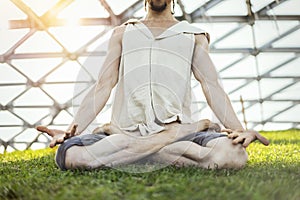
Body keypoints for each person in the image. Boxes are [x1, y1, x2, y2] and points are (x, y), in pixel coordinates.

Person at [36, 0, 269, 170]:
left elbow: (212, 86)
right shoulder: (123, 32)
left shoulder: (193, 35)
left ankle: (135, 153)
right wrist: (71, 129)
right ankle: (163, 144)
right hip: (126, 131)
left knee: (234, 154)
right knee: (68, 155)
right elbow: (103, 85)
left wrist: (239, 129)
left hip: (171, 137)